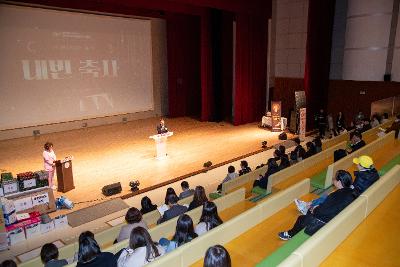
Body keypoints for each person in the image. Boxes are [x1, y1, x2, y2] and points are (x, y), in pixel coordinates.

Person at [279, 170, 355, 240]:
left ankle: (290, 234)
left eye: (334, 179)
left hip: (325, 222)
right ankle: (308, 212)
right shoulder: (351, 192)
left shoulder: (335, 196)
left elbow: (325, 211)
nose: (333, 180)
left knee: (301, 219)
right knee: (309, 211)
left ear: (339, 182)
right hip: (337, 218)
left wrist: (315, 209)